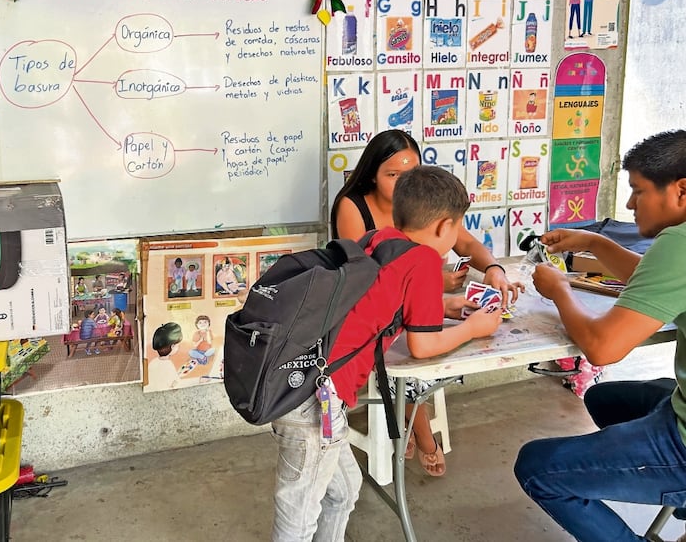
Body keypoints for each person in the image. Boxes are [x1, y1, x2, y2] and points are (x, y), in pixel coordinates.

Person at [272, 165, 504, 541]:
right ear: (445, 227)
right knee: (298, 513)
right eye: (458, 228)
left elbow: (380, 297)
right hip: (313, 399)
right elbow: (423, 345)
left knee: (343, 492)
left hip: (305, 384)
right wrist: (474, 328)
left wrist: (443, 307)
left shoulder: (378, 240)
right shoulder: (426, 261)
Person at [514, 130, 686, 542]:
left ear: (681, 190)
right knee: (604, 398)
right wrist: (594, 242)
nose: (629, 204)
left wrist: (560, 291)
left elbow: (602, 347)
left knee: (538, 468)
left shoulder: (680, 243)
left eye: (638, 192)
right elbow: (657, 280)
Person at [330, 129, 523, 476]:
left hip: (382, 323)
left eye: (411, 172)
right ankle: (421, 431)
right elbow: (374, 288)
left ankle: (414, 429)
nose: (404, 182)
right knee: (409, 354)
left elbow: (466, 246)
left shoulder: (407, 224)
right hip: (367, 328)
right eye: (393, 174)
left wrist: (491, 269)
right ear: (372, 173)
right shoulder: (361, 212)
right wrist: (462, 316)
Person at [148, 322, 183, 390]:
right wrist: (180, 376)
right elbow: (173, 384)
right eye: (177, 345)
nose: (178, 347)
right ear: (172, 346)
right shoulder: (168, 364)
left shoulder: (153, 362)